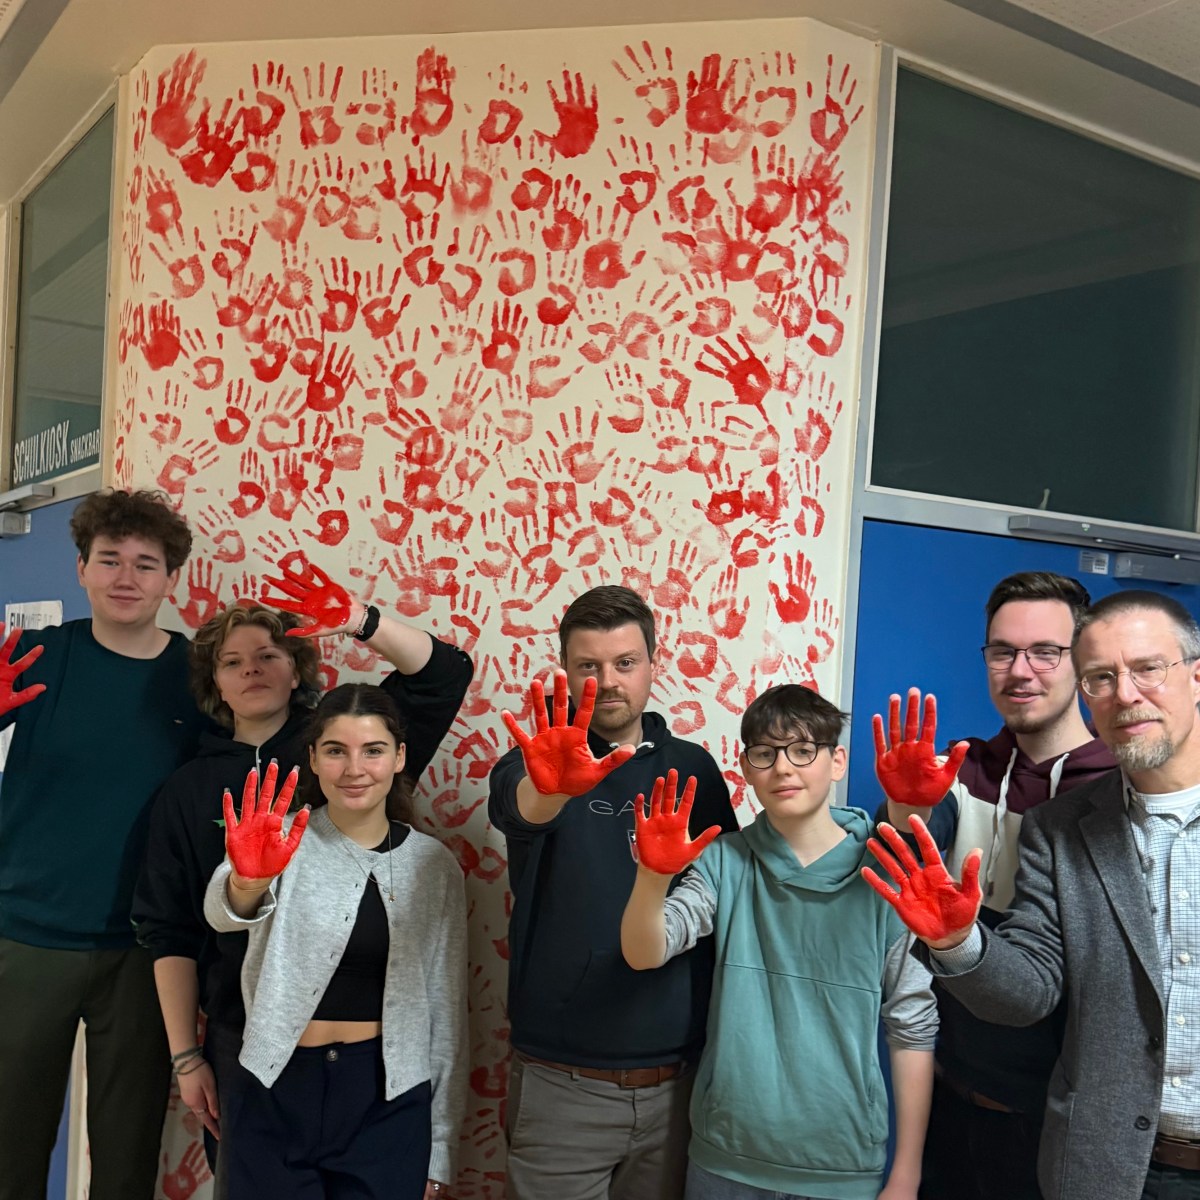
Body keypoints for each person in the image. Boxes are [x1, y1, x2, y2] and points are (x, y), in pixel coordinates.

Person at [133, 561, 472, 1197]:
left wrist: (357, 622)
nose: (253, 669)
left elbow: (445, 675)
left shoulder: (344, 739)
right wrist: (188, 1055)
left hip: (380, 1080)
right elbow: (183, 923)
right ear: (214, 684)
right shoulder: (190, 785)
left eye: (268, 654)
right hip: (251, 1049)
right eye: (232, 662)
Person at [865, 589, 1200, 1200]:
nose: (1126, 694)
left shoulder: (1103, 782)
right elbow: (900, 889)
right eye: (1004, 651)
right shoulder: (983, 782)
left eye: (1047, 652)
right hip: (991, 1103)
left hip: (1057, 1110)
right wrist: (955, 936)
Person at [623, 684, 937, 1200]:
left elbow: (913, 1025)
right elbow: (645, 950)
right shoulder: (725, 859)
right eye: (765, 754)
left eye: (803, 750)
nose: (783, 768)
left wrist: (907, 1172)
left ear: (837, 761)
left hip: (841, 1163)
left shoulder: (886, 874)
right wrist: (653, 879)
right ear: (746, 769)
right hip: (726, 1155)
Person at [489, 585, 739, 1200]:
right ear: (567, 672)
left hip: (678, 1083)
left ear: (654, 663)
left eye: (625, 663)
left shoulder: (694, 769)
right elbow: (523, 809)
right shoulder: (533, 762)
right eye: (588, 666)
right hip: (560, 1084)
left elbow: (724, 895)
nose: (608, 681)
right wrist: (552, 786)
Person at [0, 488, 207, 1200]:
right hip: (27, 935)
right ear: (82, 568)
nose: (126, 576)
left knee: (126, 1154)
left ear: (170, 579)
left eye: (146, 564)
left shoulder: (200, 680)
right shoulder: (31, 657)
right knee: (11, 1144)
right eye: (109, 559)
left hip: (146, 949)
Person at [204, 683, 468, 1200]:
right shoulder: (277, 838)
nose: (354, 769)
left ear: (399, 759)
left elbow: (446, 1009)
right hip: (275, 1088)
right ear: (313, 759)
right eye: (335, 751)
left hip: (388, 1097)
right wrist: (248, 881)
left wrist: (440, 1146)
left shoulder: (434, 866)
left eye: (373, 750)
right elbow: (222, 915)